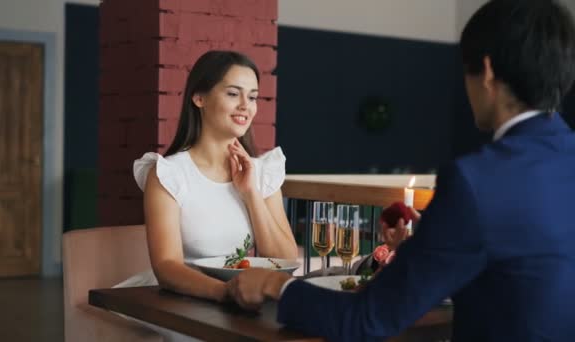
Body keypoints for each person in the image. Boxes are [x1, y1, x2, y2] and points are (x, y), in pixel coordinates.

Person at [227, 1, 575, 341]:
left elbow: (367, 320)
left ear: (485, 71)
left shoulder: (476, 181)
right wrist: (435, 234)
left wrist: (275, 284)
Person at [115, 50, 297, 302]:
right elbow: (166, 266)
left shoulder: (262, 172)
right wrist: (225, 293)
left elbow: (285, 260)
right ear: (199, 98)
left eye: (253, 97)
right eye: (233, 94)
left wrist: (251, 193)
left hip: (243, 298)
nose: (246, 105)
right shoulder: (168, 174)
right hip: (178, 298)